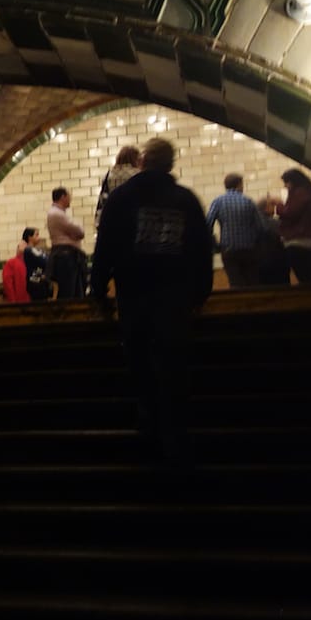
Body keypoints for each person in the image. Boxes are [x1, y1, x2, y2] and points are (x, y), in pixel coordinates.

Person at [91, 138, 213, 464]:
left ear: (143, 161)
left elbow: (106, 245)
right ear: (171, 164)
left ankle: (148, 425)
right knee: (173, 359)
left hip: (134, 294)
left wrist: (98, 288)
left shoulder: (121, 198)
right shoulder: (185, 200)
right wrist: (202, 290)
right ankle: (175, 429)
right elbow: (202, 248)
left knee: (140, 358)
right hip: (175, 296)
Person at [205, 173, 265, 288]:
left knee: (235, 282)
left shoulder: (218, 202)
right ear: (239, 185)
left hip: (228, 250)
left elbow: (208, 225)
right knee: (253, 282)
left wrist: (216, 245)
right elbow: (261, 227)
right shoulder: (248, 201)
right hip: (249, 249)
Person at [272, 168, 311, 284]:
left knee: (305, 278)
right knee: (307, 277)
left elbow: (290, 213)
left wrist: (278, 205)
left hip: (299, 240)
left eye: (286, 183)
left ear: (294, 181)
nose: (285, 186)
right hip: (306, 240)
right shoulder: (308, 192)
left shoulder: (300, 193)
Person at [46, 186, 86, 299]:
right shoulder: (56, 214)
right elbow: (79, 232)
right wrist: (75, 234)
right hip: (66, 257)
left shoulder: (57, 213)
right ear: (63, 197)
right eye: (69, 196)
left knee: (74, 292)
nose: (70, 199)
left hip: (67, 256)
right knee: (69, 292)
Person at [96, 145, 141, 229]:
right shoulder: (138, 174)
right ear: (136, 159)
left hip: (113, 220)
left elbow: (103, 200)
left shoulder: (108, 175)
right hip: (133, 219)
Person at [255, 197, 290, 285]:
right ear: (266, 208)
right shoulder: (274, 223)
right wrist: (280, 204)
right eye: (271, 205)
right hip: (277, 262)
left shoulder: (253, 222)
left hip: (259, 263)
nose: (274, 207)